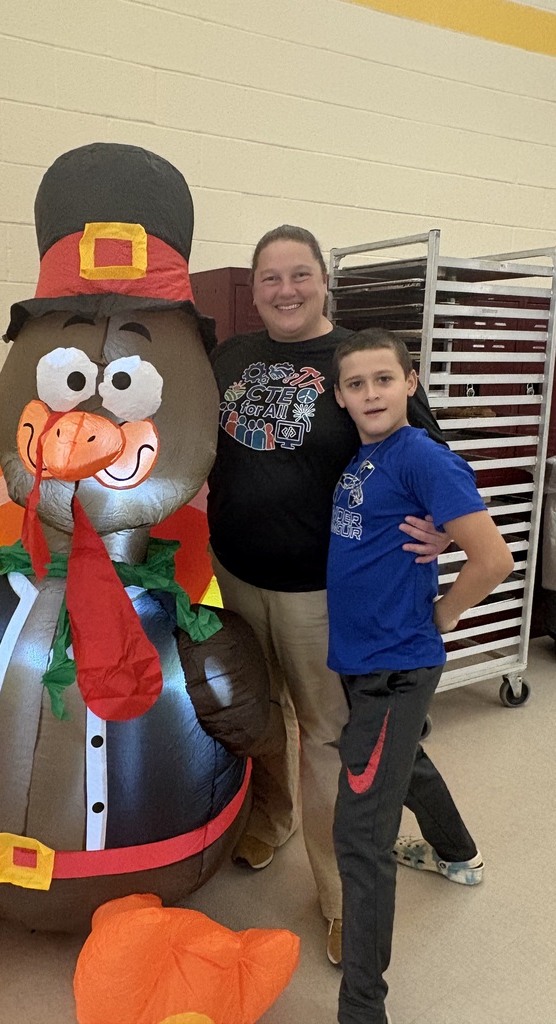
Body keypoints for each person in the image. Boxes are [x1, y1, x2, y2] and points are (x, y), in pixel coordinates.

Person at [206, 225, 447, 964]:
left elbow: (429, 450)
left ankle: (341, 898)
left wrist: (440, 530)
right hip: (237, 574)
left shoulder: (354, 362)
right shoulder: (231, 358)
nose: (286, 289)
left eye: (300, 274)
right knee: (262, 715)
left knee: (326, 741)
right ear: (254, 289)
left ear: (323, 281)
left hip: (322, 592)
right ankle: (270, 820)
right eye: (271, 277)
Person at [327, 327, 514, 1024]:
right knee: (405, 759)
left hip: (394, 666)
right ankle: (457, 852)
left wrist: (442, 616)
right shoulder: (370, 455)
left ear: (411, 382)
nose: (370, 392)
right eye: (356, 383)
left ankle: (362, 1010)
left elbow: (493, 559)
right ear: (341, 395)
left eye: (383, 379)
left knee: (358, 837)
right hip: (366, 657)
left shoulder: (424, 458)